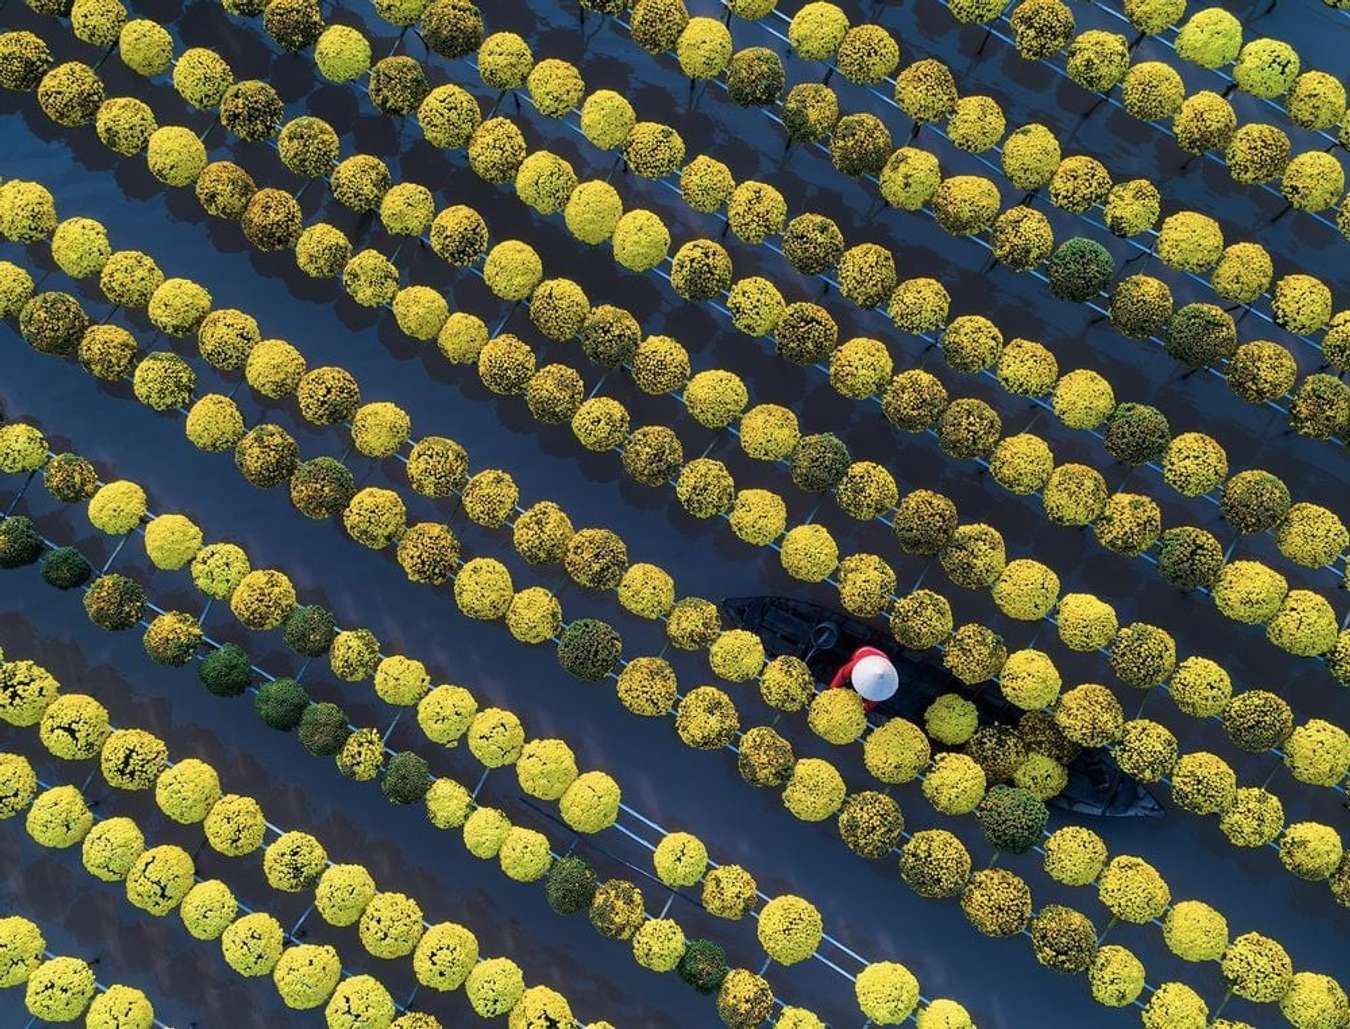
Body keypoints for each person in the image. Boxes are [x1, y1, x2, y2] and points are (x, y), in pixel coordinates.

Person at [828, 645, 898, 711]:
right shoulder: (856, 664)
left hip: (885, 661)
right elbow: (842, 674)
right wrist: (831, 690)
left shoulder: (884, 686)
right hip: (864, 651)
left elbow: (875, 700)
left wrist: (863, 709)